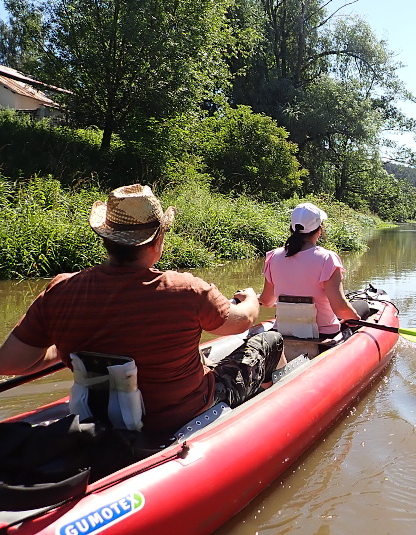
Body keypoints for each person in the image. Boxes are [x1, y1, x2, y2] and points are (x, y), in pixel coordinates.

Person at [0, 184, 285, 434]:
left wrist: (67, 350)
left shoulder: (60, 289)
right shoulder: (185, 289)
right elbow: (242, 321)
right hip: (183, 412)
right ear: (158, 241)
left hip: (100, 414)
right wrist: (249, 298)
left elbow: (11, 363)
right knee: (270, 340)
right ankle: (276, 411)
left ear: (106, 240)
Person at [259, 202, 367, 355]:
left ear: (292, 228)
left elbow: (267, 301)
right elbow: (340, 308)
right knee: (363, 306)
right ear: (319, 230)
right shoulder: (327, 258)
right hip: (324, 336)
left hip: (282, 333)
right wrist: (355, 319)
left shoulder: (273, 257)